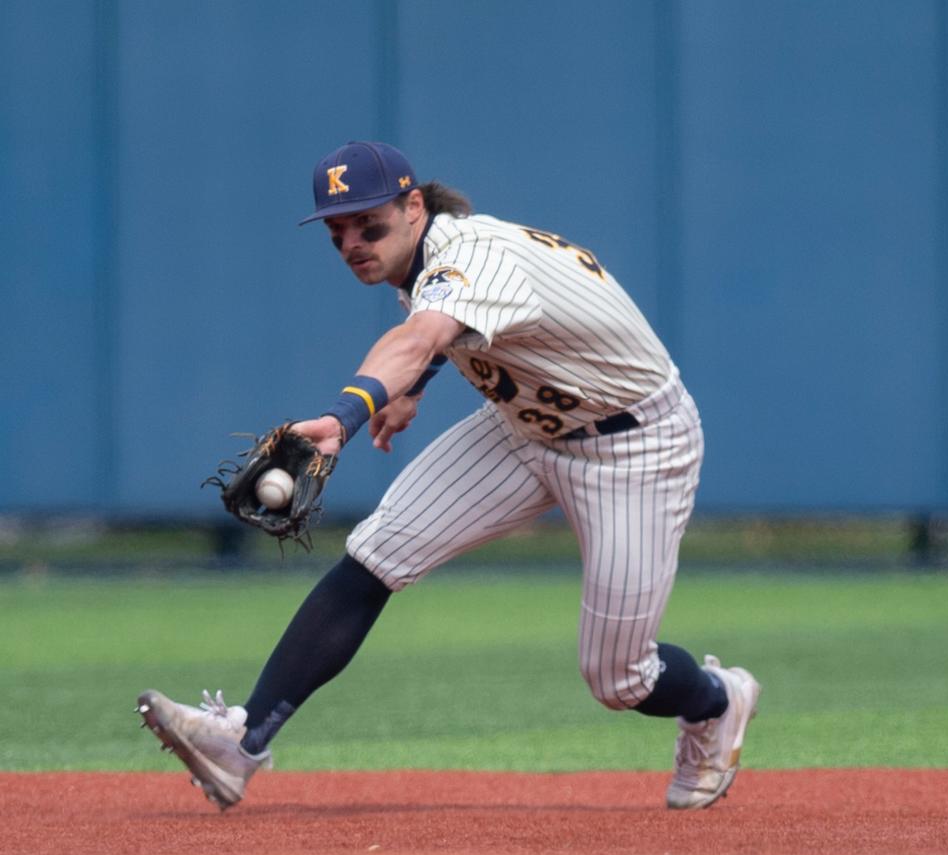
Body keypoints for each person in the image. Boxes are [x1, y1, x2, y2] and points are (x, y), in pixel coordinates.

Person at [137, 140, 760, 811]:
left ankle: (717, 702)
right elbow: (437, 330)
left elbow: (420, 336)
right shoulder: (426, 255)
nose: (352, 243)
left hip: (635, 446)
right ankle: (241, 743)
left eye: (368, 224)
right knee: (377, 555)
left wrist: (344, 417)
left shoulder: (473, 255)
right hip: (522, 427)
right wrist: (411, 389)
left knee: (619, 678)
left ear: (413, 206)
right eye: (337, 231)